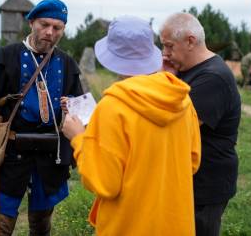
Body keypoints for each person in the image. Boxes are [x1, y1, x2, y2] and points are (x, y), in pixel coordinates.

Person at [61, 16, 201, 235]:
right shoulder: (182, 101)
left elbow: (104, 183)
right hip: (175, 224)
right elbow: (192, 162)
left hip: (128, 225)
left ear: (111, 57)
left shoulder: (112, 107)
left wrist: (78, 137)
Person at [0, 0, 83, 235]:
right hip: (12, 155)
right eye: (44, 24)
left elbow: (81, 111)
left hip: (49, 157)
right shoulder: (5, 57)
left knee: (41, 224)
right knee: (0, 224)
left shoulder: (67, 64)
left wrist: (70, 110)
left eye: (57, 28)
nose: (49, 32)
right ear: (32, 22)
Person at [160, 12, 241, 236]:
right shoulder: (186, 71)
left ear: (190, 41)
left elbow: (173, 125)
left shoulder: (213, 78)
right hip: (190, 180)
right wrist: (166, 76)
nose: (164, 54)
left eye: (168, 46)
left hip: (205, 184)